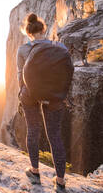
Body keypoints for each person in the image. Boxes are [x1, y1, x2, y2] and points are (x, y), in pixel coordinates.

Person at [17, 13, 67, 192]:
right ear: (43, 30)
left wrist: (21, 93)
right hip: (54, 95)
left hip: (29, 95)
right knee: (55, 136)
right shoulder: (59, 46)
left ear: (29, 33)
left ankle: (35, 171)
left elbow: (19, 76)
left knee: (33, 130)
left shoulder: (23, 49)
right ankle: (60, 181)